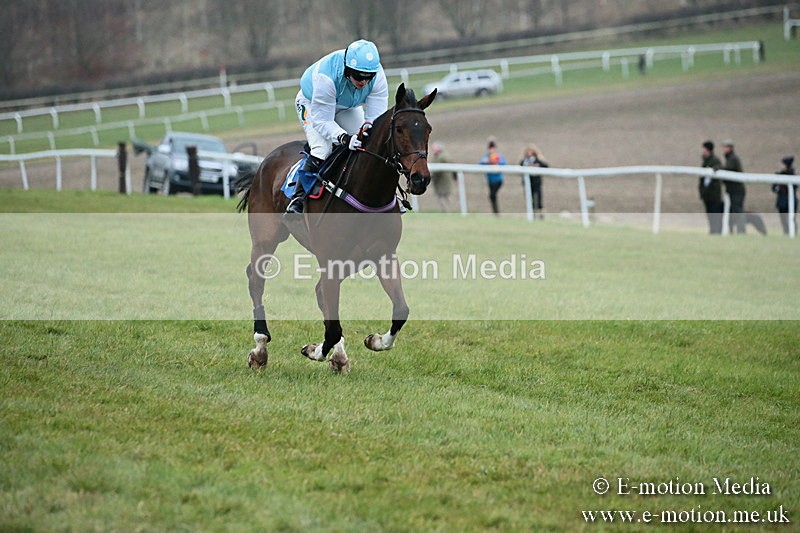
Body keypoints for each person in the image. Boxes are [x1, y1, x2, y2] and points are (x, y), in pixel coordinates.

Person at [286, 39, 389, 214]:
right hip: (312, 104)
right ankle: (298, 198)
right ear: (348, 70)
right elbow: (322, 121)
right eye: (358, 76)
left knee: (367, 145)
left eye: (368, 77)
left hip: (346, 106)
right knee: (322, 149)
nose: (363, 82)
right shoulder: (327, 78)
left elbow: (375, 119)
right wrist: (344, 138)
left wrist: (365, 132)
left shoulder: (378, 76)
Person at [721, 140, 746, 234]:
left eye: (725, 147)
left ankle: (741, 231)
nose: (723, 149)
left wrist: (718, 168)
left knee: (737, 211)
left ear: (730, 148)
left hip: (737, 190)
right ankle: (734, 231)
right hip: (733, 190)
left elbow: (728, 169)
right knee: (733, 211)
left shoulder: (733, 159)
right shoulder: (730, 158)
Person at [698, 140, 723, 234]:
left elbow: (719, 168)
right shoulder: (705, 161)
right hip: (706, 195)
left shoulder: (715, 160)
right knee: (710, 215)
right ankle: (713, 231)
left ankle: (716, 232)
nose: (702, 151)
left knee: (715, 215)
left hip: (714, 195)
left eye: (704, 149)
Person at [520, 143, 548, 219]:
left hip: (537, 182)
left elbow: (545, 166)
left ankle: (541, 214)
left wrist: (537, 165)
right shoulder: (524, 161)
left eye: (531, 151)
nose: (529, 153)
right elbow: (520, 168)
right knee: (530, 199)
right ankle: (532, 215)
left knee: (539, 199)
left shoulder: (537, 160)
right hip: (527, 183)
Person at [479, 138, 506, 215]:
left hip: (498, 180)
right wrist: (488, 161)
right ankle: (495, 212)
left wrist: (496, 163)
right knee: (492, 196)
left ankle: (496, 213)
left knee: (492, 195)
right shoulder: (486, 157)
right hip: (490, 180)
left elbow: (503, 164)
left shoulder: (499, 157)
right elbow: (480, 164)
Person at [773, 155, 798, 235]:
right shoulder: (779, 175)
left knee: (791, 219)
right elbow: (774, 187)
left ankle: (793, 233)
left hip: (790, 201)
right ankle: (787, 233)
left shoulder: (792, 175)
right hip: (782, 201)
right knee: (784, 220)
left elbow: (794, 187)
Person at [429, 142, 456, 212]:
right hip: (439, 181)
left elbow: (452, 167)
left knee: (446, 196)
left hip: (444, 180)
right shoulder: (436, 157)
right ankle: (445, 210)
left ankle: (449, 210)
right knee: (441, 196)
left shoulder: (443, 157)